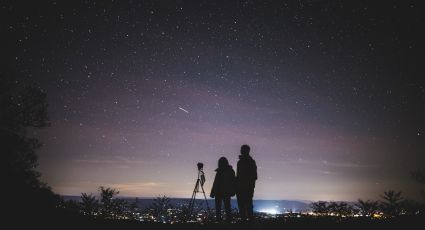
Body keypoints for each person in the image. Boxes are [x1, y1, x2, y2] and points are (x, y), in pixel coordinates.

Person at [210, 157, 236, 222]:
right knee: (226, 207)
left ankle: (221, 221)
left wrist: (213, 192)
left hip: (221, 192)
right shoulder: (230, 171)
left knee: (221, 208)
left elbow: (215, 183)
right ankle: (227, 221)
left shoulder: (220, 172)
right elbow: (233, 182)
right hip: (224, 192)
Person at [236, 144, 257, 222]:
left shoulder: (249, 162)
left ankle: (247, 223)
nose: (241, 151)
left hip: (246, 188)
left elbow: (254, 176)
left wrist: (250, 187)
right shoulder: (242, 162)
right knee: (245, 206)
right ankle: (246, 223)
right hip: (244, 188)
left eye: (242, 149)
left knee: (245, 206)